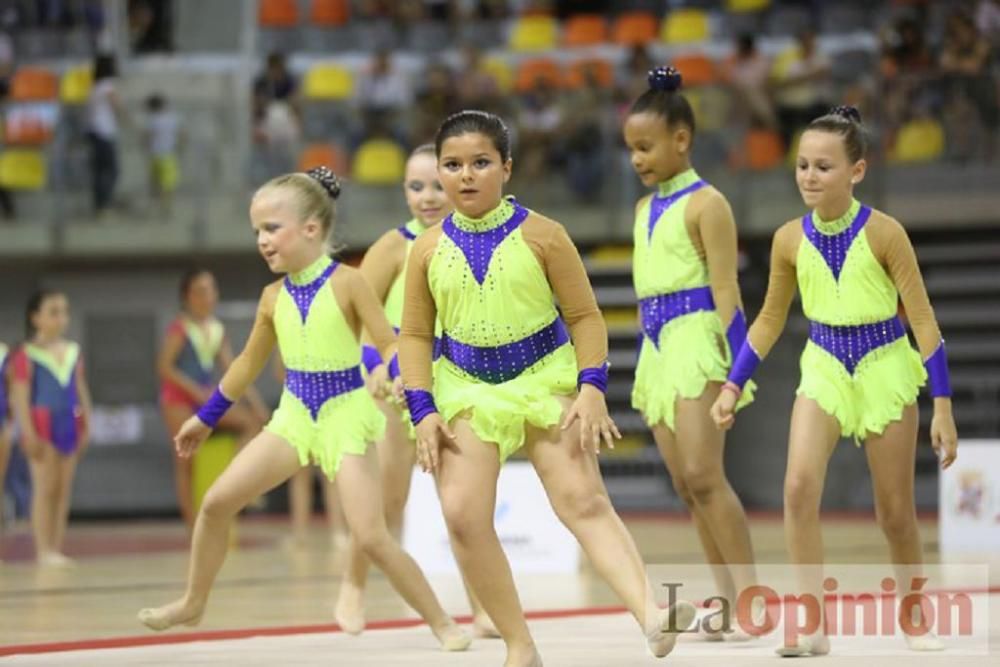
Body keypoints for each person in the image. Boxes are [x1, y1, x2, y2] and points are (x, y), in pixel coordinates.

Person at [400, 110, 695, 667]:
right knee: (462, 516)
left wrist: (590, 388)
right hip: (465, 386)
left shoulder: (544, 234)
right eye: (453, 165)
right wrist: (422, 409)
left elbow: (586, 317)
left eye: (481, 163)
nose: (466, 175)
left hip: (543, 377)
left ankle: (651, 616)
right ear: (440, 171)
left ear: (507, 168)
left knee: (582, 499)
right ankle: (520, 644)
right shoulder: (427, 249)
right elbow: (415, 334)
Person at [136, 167, 470, 654]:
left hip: (345, 415)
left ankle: (441, 621)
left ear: (311, 229)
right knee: (215, 504)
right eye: (257, 232)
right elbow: (248, 363)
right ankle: (193, 601)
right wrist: (205, 417)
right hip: (294, 417)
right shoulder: (272, 297)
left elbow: (388, 341)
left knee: (372, 536)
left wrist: (403, 378)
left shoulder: (349, 283)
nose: (262, 241)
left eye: (271, 228)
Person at [711, 106, 959, 656]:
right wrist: (732, 385)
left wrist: (941, 405)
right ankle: (812, 626)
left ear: (857, 171)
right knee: (797, 489)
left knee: (893, 512)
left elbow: (922, 321)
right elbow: (770, 320)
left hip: (885, 366)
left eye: (824, 167)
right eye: (802, 165)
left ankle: (916, 615)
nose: (809, 177)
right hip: (823, 363)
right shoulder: (786, 240)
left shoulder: (886, 233)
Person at [334, 144, 497, 637]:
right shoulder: (392, 245)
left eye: (435, 184)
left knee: (461, 504)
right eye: (415, 186)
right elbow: (358, 314)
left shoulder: (471, 241)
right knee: (388, 500)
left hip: (451, 383)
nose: (427, 196)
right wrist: (376, 364)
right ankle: (353, 588)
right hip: (394, 388)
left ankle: (483, 608)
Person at [624, 66, 760, 640]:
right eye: (631, 148)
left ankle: (753, 599)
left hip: (697, 340)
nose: (637, 159)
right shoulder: (640, 210)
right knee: (686, 485)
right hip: (656, 346)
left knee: (705, 474)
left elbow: (727, 289)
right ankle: (726, 603)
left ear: (681, 140)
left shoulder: (710, 204)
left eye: (646, 147)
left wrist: (738, 372)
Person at [158, 268, 268, 530]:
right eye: (199, 291)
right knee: (187, 463)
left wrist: (256, 403)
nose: (207, 297)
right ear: (187, 297)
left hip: (206, 399)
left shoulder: (217, 329)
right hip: (178, 400)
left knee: (251, 422)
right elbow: (164, 367)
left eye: (211, 290)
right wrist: (194, 390)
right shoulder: (180, 328)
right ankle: (192, 528)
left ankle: (239, 483)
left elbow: (234, 370)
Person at [10, 290, 93, 566]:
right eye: (53, 312)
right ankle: (42, 549)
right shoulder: (25, 353)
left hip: (69, 421)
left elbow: (80, 389)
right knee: (44, 486)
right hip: (41, 422)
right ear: (35, 318)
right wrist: (27, 431)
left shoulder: (72, 351)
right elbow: (20, 395)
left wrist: (87, 424)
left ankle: (56, 547)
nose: (61, 318)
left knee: (62, 489)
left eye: (64, 311)